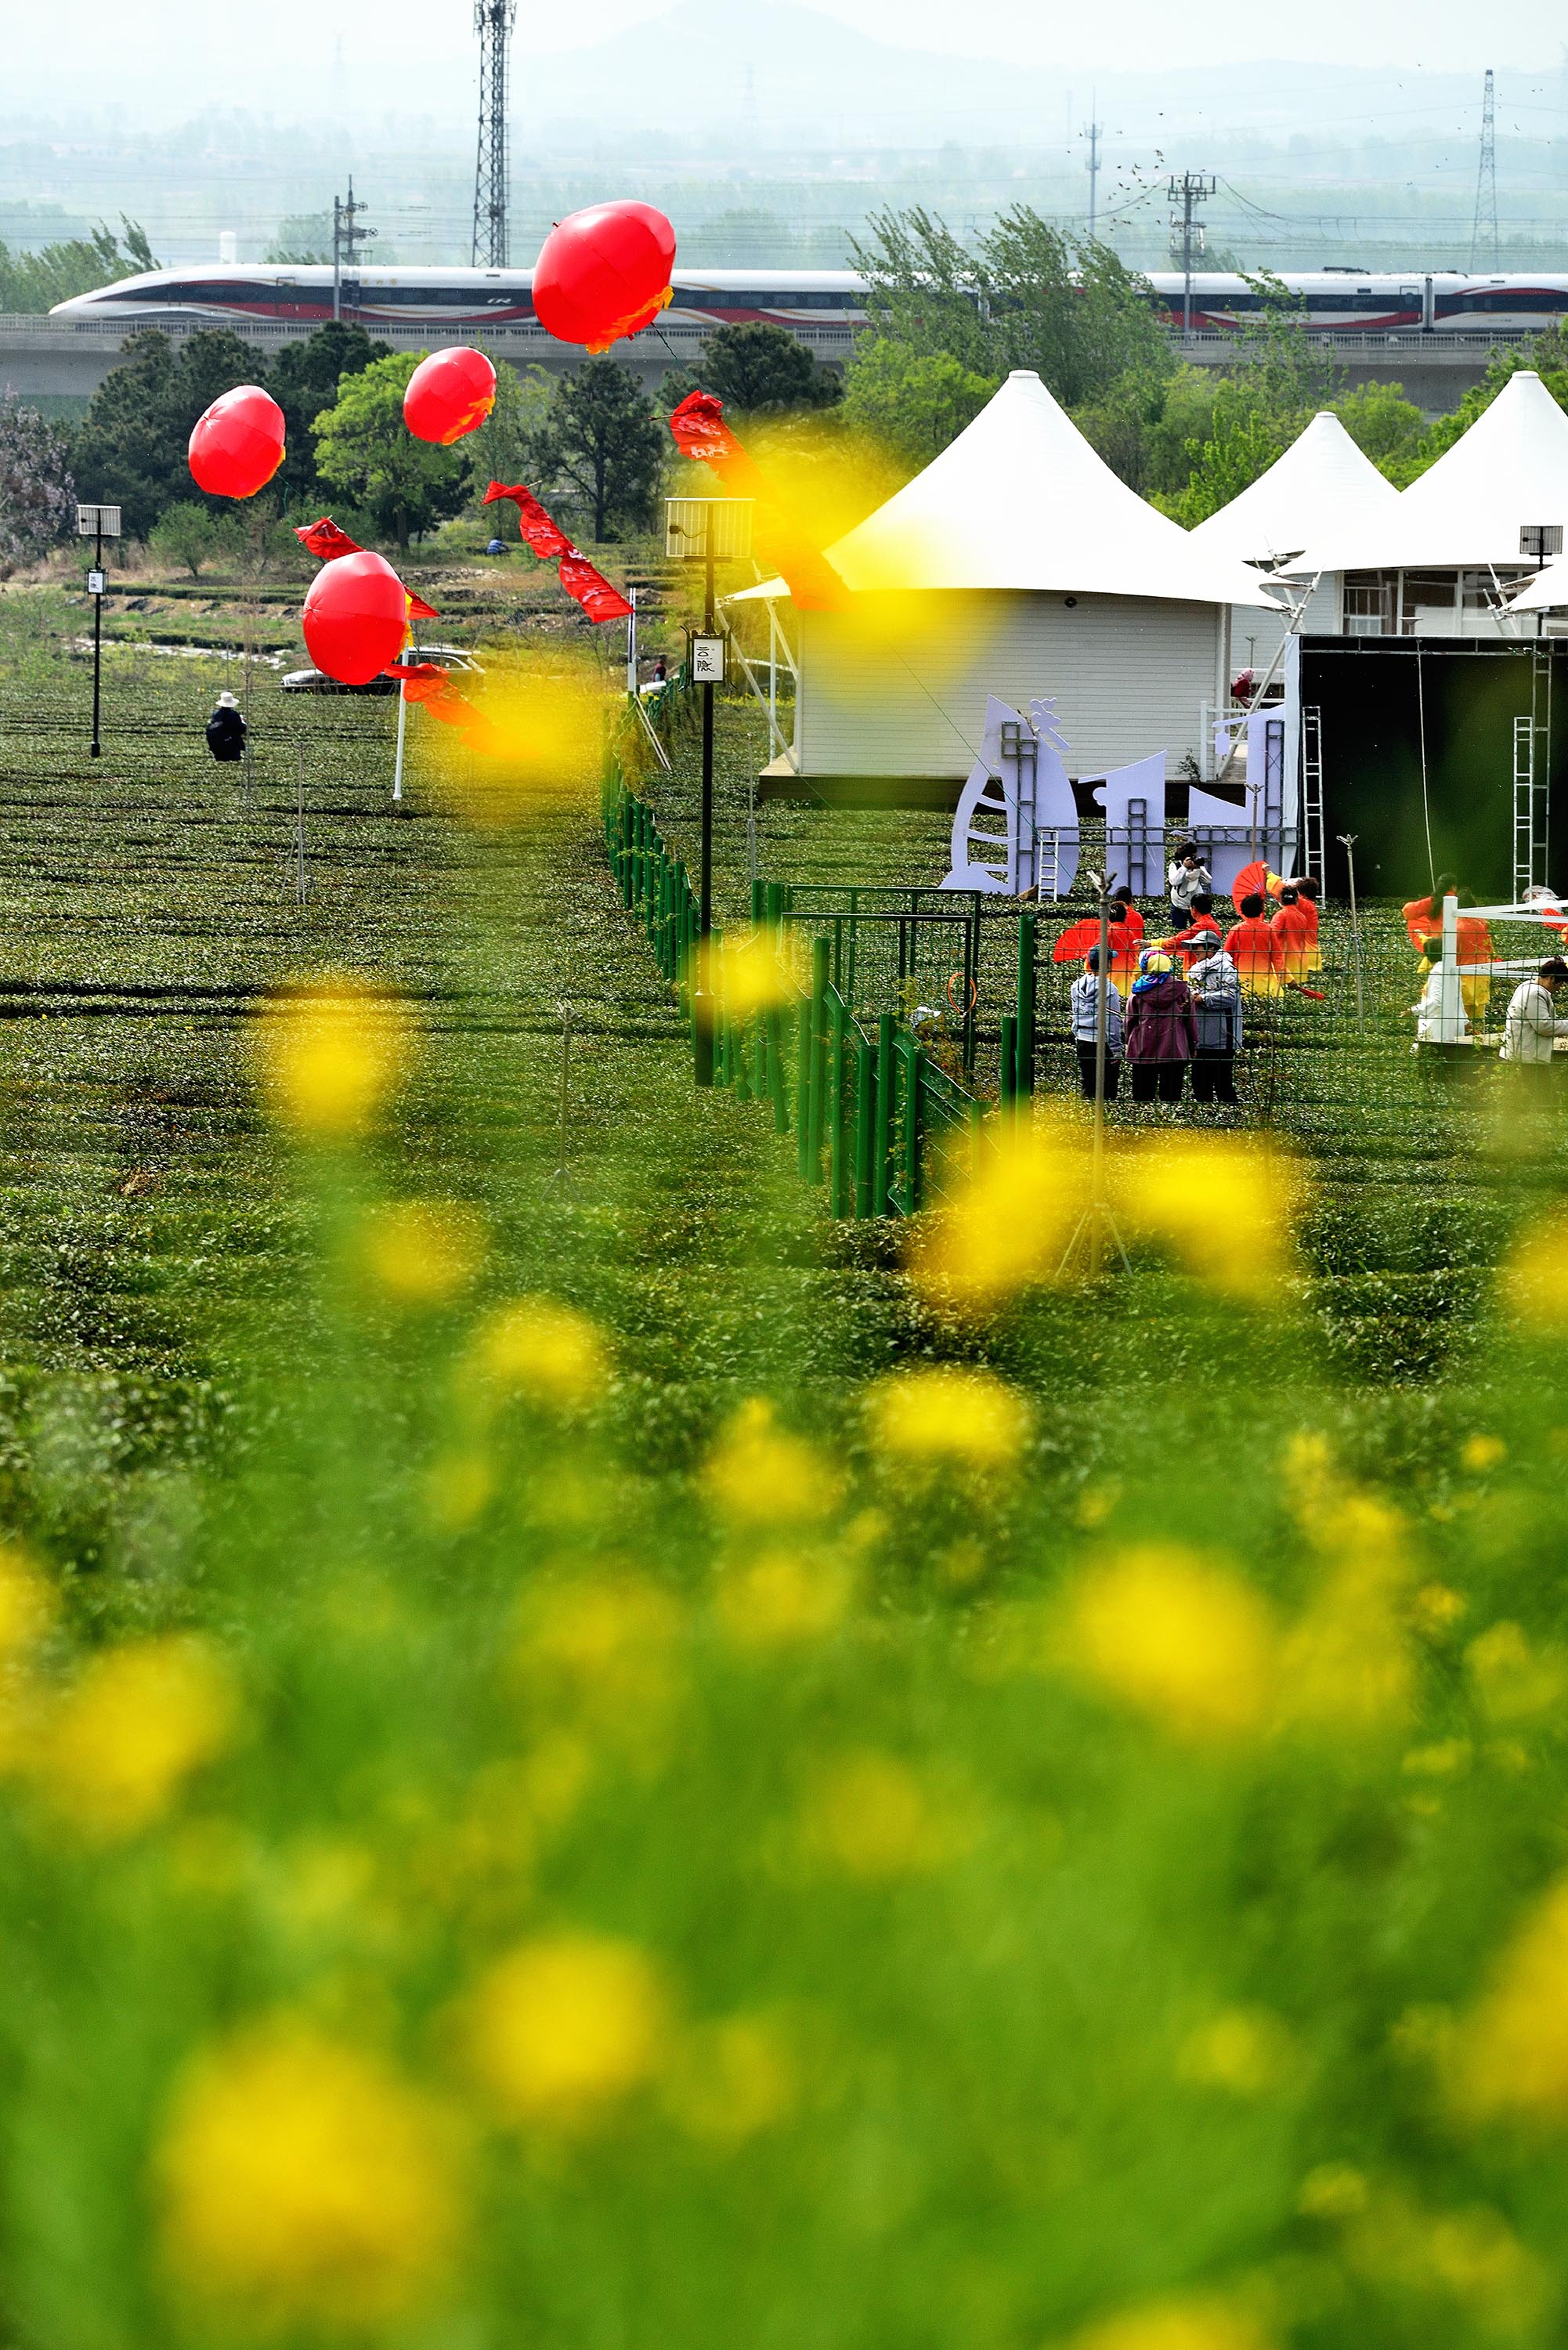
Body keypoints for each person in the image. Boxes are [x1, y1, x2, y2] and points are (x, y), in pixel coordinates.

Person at [1403, 876, 1492, 1025]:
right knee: (1468, 1011)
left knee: (1439, 1000)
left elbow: (1407, 911)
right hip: (1477, 972)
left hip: (1443, 958)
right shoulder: (1478, 921)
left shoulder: (1433, 903)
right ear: (1453, 887)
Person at [1122, 949, 1197, 1104]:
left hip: (1144, 1047)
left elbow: (1130, 1020)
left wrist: (1130, 1041)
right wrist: (1192, 1043)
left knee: (1142, 1097)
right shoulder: (1182, 989)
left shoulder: (1138, 991)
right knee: (1171, 1097)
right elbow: (1190, 1020)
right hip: (1174, 1048)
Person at [1188, 938, 1243, 1104]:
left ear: (1211, 947)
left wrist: (1203, 999)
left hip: (1222, 1038)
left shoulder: (1227, 969)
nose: (1194, 950)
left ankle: (1230, 1122)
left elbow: (1230, 996)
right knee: (1199, 1085)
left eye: (1198, 946)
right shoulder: (1195, 969)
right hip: (1200, 1038)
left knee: (1223, 1084)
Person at [1068, 944, 1123, 1100]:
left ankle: (1085, 1116)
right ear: (1106, 964)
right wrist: (1116, 1050)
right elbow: (1112, 1022)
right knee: (1107, 1087)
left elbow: (1075, 1014)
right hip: (1102, 1042)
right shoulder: (1109, 989)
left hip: (1082, 1039)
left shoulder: (1076, 985)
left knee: (1088, 1082)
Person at [1501, 956, 1568, 1068]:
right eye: (1560, 984)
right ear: (1551, 978)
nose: (1559, 989)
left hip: (1523, 1054)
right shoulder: (1535, 994)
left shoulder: (1526, 987)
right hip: (1527, 1059)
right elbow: (1543, 1026)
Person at [1225, 892, 1285, 996]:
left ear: (1243, 910)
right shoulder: (1269, 930)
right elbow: (1277, 957)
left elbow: (1227, 955)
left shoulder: (1236, 930)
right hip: (1265, 983)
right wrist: (1287, 978)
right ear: (1261, 910)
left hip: (1241, 982)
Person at [1409, 937, 1466, 1044]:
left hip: (1439, 1026)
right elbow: (1457, 997)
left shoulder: (1437, 973)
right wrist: (1465, 1020)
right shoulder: (1451, 969)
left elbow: (1437, 1001)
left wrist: (1414, 1010)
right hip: (1454, 1021)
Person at [1270, 885, 1313, 982]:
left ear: (1281, 900)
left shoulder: (1281, 915)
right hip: (1301, 963)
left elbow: (1272, 934)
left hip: (1285, 964)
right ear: (1297, 900)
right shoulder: (1302, 917)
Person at [1167, 843, 1212, 926]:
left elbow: (1208, 880)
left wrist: (1198, 868)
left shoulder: (1198, 866)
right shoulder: (1175, 866)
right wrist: (1184, 868)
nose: (1193, 859)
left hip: (1196, 907)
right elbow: (1174, 882)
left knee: (1197, 933)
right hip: (1178, 906)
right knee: (1179, 933)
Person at [205, 689, 246, 764]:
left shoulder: (216, 714)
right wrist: (243, 721)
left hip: (217, 746)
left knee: (220, 764)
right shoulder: (234, 715)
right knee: (234, 764)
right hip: (231, 747)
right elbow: (241, 729)